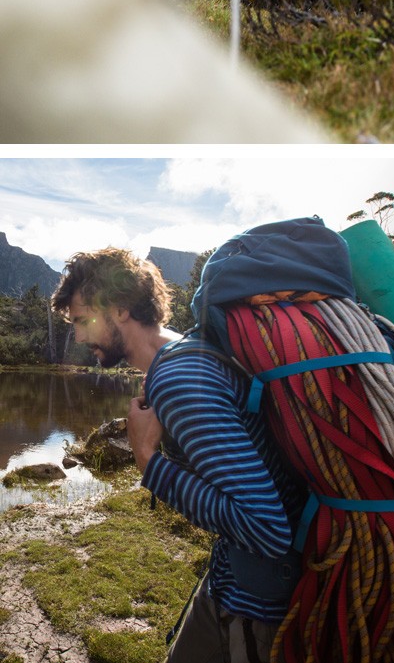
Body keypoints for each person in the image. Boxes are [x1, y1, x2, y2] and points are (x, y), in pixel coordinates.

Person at [52, 248, 304, 663]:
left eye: (83, 320)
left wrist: (148, 459)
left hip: (256, 608)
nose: (78, 337)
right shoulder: (186, 349)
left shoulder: (179, 378)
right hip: (230, 579)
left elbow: (266, 529)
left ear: (119, 310)